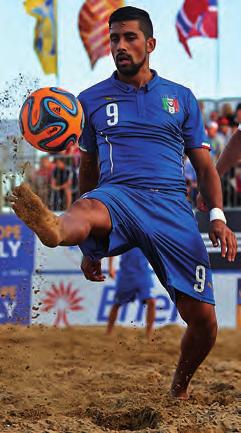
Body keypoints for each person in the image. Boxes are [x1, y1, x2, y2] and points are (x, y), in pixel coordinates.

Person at [10, 6, 237, 399]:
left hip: (171, 206)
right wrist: (88, 246)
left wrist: (217, 215)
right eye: (114, 38)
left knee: (205, 324)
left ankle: (178, 389)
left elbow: (205, 167)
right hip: (118, 195)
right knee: (82, 210)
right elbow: (88, 169)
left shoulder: (181, 98)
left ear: (150, 44)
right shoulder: (90, 100)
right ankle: (55, 228)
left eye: (129, 37)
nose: (120, 46)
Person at [107, 248, 156, 340]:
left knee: (152, 301)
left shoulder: (147, 234)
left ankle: (149, 334)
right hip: (126, 274)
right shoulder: (124, 235)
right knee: (116, 304)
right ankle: (108, 332)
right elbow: (113, 248)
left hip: (143, 273)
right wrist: (110, 267)